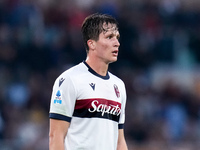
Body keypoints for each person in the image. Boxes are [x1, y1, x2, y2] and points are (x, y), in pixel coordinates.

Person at [49, 13, 128, 150]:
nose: (117, 43)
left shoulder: (119, 86)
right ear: (91, 44)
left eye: (117, 38)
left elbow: (119, 141)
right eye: (109, 37)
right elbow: (56, 136)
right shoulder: (70, 80)